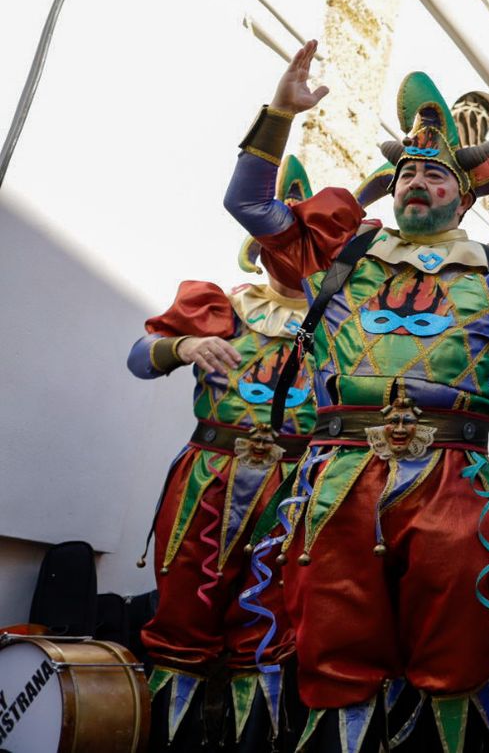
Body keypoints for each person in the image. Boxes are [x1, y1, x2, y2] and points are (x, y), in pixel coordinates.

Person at [224, 40, 489, 752]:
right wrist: (280, 111)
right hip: (342, 473)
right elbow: (247, 201)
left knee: (456, 643)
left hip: (453, 479)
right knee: (333, 641)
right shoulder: (341, 252)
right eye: (409, 171)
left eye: (436, 173)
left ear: (461, 196)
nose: (419, 183)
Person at [127, 155, 356, 751]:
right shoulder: (221, 306)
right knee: (182, 618)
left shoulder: (342, 331)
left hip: (293, 490)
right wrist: (183, 345)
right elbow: (137, 358)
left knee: (269, 631)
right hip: (210, 479)